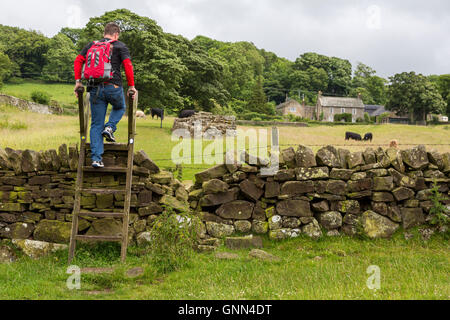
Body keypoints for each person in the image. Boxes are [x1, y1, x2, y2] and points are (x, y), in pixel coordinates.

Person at [73, 22, 137, 168]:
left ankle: (96, 159)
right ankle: (110, 128)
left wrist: (78, 82)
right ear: (116, 34)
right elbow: (128, 65)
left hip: (95, 89)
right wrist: (131, 86)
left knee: (96, 124)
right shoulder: (120, 45)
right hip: (113, 87)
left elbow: (78, 61)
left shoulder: (91, 45)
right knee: (120, 107)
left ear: (104, 33)